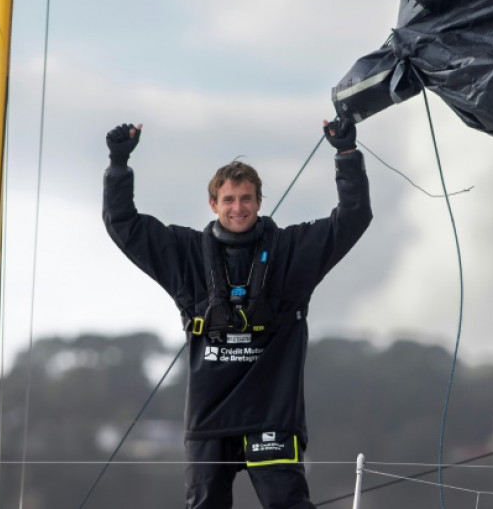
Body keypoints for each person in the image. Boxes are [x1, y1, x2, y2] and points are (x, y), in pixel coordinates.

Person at [102, 118, 372, 509]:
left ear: (259, 202)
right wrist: (118, 162)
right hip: (209, 420)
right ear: (213, 204)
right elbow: (123, 224)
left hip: (273, 416)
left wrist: (346, 153)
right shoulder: (186, 255)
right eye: (228, 200)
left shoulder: (293, 251)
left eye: (246, 198)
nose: (238, 207)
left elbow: (353, 218)